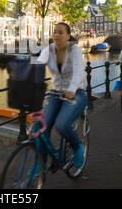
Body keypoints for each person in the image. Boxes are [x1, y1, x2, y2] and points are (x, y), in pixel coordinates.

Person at [35, 22, 88, 168]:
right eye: (55, 32)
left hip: (76, 93)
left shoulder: (74, 50)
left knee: (61, 124)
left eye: (60, 32)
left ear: (68, 36)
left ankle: (77, 148)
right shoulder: (49, 50)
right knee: (39, 126)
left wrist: (72, 89)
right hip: (55, 92)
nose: (56, 35)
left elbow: (78, 71)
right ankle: (41, 162)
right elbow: (38, 66)